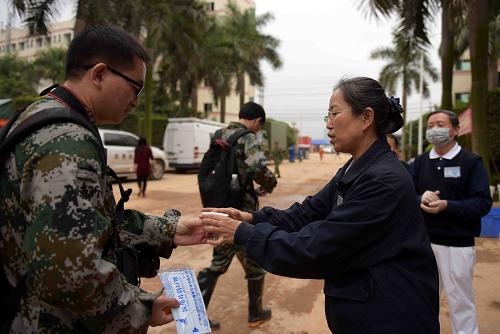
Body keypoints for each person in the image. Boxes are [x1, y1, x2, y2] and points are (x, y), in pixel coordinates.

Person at [0, 25, 206, 333]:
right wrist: (139, 308)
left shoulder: (39, 113)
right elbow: (70, 271)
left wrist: (169, 230)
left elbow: (90, 218)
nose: (136, 100)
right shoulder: (68, 141)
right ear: (99, 74)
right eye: (135, 88)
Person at [201, 77, 440, 334]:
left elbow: (316, 248)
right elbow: (308, 212)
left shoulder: (383, 181)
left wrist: (241, 233)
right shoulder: (356, 167)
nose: (327, 124)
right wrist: (251, 219)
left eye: (334, 113)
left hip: (390, 319)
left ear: (366, 117)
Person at [409, 110, 492, 334]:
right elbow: (404, 195)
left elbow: (482, 203)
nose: (434, 129)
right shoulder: (420, 162)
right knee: (424, 301)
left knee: (460, 302)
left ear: (455, 130)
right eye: (430, 125)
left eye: (440, 124)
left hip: (458, 246)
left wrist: (447, 205)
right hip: (425, 244)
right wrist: (419, 198)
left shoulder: (471, 162)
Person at [197, 102, 277, 330]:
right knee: (255, 264)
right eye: (260, 127)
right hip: (241, 213)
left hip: (219, 208)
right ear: (258, 121)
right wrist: (270, 183)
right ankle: (256, 314)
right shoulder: (248, 137)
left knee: (217, 264)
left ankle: (197, 318)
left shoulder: (218, 134)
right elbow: (259, 169)